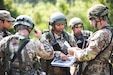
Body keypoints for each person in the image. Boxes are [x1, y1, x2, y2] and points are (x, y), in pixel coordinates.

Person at [68, 4, 113, 75]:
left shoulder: (101, 34)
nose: (90, 22)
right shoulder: (110, 32)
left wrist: (74, 52)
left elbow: (87, 56)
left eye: (91, 19)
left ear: (98, 18)